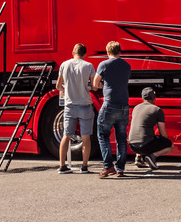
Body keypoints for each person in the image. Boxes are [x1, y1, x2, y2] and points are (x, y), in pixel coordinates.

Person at [56, 43, 97, 174]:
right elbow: (94, 86)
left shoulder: (64, 65)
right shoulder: (88, 66)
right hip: (85, 105)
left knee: (66, 136)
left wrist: (67, 90)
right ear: (85, 54)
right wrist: (88, 88)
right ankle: (84, 167)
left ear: (73, 52)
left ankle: (62, 166)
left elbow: (58, 85)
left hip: (69, 105)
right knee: (86, 138)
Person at [93, 41, 132, 178]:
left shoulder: (103, 64)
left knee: (103, 135)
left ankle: (108, 166)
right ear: (119, 51)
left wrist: (103, 85)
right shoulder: (127, 65)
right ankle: (120, 168)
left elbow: (95, 83)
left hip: (110, 105)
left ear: (107, 51)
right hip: (124, 105)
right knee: (121, 138)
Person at [128, 87, 174, 170]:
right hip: (145, 146)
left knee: (143, 135)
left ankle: (138, 158)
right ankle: (152, 156)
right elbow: (162, 133)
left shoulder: (136, 108)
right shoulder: (157, 110)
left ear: (142, 98)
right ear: (154, 98)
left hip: (132, 145)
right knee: (170, 146)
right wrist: (165, 143)